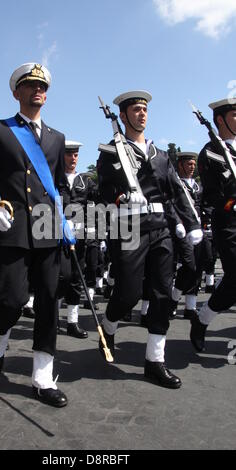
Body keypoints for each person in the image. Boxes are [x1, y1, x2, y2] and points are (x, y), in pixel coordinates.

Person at [0, 62, 72, 407]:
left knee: (48, 303)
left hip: (47, 230)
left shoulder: (56, 138)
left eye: (42, 86)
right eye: (29, 85)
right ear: (17, 92)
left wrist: (67, 216)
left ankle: (42, 378)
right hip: (11, 229)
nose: (37, 90)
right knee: (9, 301)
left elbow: (58, 186)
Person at [97, 90, 202, 388]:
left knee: (161, 294)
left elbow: (177, 192)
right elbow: (102, 191)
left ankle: (155, 361)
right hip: (128, 228)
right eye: (136, 109)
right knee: (128, 295)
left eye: (144, 109)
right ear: (123, 115)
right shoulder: (110, 152)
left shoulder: (161, 156)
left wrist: (190, 223)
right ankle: (109, 324)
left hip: (160, 227)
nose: (142, 114)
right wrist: (120, 198)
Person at [190, 97, 236, 352]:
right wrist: (232, 204)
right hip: (229, 224)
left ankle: (202, 317)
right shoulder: (211, 151)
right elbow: (210, 195)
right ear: (221, 120)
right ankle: (203, 318)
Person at [58, 140, 97, 338]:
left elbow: (92, 205)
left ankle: (72, 322)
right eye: (69, 154)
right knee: (58, 277)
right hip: (55, 235)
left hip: (79, 237)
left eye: (75, 155)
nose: (73, 158)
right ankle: (53, 317)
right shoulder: (54, 178)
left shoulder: (85, 181)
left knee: (75, 278)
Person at [169, 152, 204, 319]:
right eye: (189, 164)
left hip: (199, 231)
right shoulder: (175, 184)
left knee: (198, 268)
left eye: (193, 164)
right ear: (180, 165)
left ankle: (190, 307)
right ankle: (173, 299)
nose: (192, 167)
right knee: (189, 266)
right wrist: (178, 223)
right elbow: (171, 205)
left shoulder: (198, 187)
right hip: (180, 231)